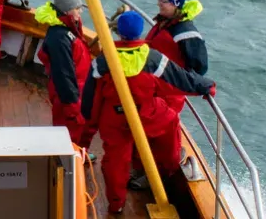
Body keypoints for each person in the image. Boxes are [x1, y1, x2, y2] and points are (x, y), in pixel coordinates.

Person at [79, 12, 216, 214]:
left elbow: (91, 98)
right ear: (139, 33)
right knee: (170, 120)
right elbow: (181, 79)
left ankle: (116, 205)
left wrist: (89, 128)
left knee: (115, 162)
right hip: (145, 113)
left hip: (114, 119)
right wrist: (207, 86)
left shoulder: (102, 61)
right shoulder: (152, 58)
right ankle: (168, 167)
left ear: (118, 32)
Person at [35, 0, 90, 143]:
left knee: (74, 128)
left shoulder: (67, 28)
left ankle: (77, 154)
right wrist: (71, 105)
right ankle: (66, 160)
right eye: (77, 9)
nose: (80, 12)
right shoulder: (60, 38)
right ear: (67, 11)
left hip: (77, 87)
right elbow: (63, 74)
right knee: (68, 129)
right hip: (68, 93)